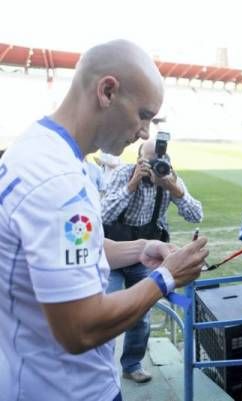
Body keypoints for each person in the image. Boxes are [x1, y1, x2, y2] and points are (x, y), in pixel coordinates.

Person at [0, 40, 209, 401]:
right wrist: (167, 277)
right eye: (144, 115)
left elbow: (80, 246)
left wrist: (143, 247)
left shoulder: (45, 152)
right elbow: (80, 327)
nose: (145, 132)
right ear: (107, 91)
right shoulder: (57, 182)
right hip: (67, 390)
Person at [101, 138, 203, 383]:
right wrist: (131, 186)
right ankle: (101, 368)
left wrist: (174, 189)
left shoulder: (169, 178)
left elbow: (196, 214)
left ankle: (131, 364)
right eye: (149, 161)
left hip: (145, 257)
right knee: (105, 310)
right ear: (138, 160)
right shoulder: (124, 173)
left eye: (161, 161)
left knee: (140, 312)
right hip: (112, 254)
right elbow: (102, 214)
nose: (156, 166)